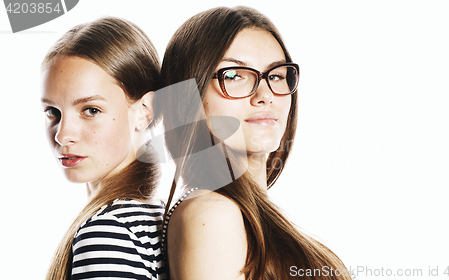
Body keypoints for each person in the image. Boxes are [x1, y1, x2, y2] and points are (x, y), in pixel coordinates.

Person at [156, 6, 352, 280]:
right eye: (234, 75)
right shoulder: (212, 214)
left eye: (276, 76)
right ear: (189, 95)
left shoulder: (239, 213)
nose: (265, 95)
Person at [40, 17, 166, 280]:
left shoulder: (108, 231)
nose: (63, 135)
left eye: (91, 110)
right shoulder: (157, 215)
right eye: (53, 111)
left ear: (145, 112)